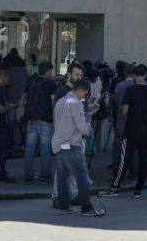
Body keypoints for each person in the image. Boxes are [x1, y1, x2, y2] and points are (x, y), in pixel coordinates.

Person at [102, 64, 147, 199]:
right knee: (143, 159)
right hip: (146, 131)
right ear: (145, 75)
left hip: (131, 129)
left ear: (133, 76)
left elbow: (124, 111)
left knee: (124, 158)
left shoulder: (130, 90)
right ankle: (138, 189)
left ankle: (115, 186)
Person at [51, 78, 103, 216]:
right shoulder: (75, 103)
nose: (84, 96)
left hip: (58, 144)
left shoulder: (60, 102)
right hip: (71, 145)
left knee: (62, 178)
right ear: (80, 90)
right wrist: (87, 130)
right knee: (82, 177)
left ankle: (64, 207)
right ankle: (87, 208)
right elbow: (82, 127)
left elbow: (58, 122)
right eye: (85, 93)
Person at [23, 60, 56, 184]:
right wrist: (55, 119)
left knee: (29, 148)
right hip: (45, 119)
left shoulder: (31, 82)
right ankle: (44, 176)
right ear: (47, 71)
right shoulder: (51, 84)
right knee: (45, 148)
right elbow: (53, 103)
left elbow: (24, 99)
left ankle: (28, 176)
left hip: (31, 119)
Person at [4, 53, 28, 153]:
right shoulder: (24, 72)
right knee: (22, 125)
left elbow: (6, 86)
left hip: (10, 101)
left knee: (11, 126)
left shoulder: (9, 72)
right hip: (21, 100)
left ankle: (10, 145)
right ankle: (23, 144)